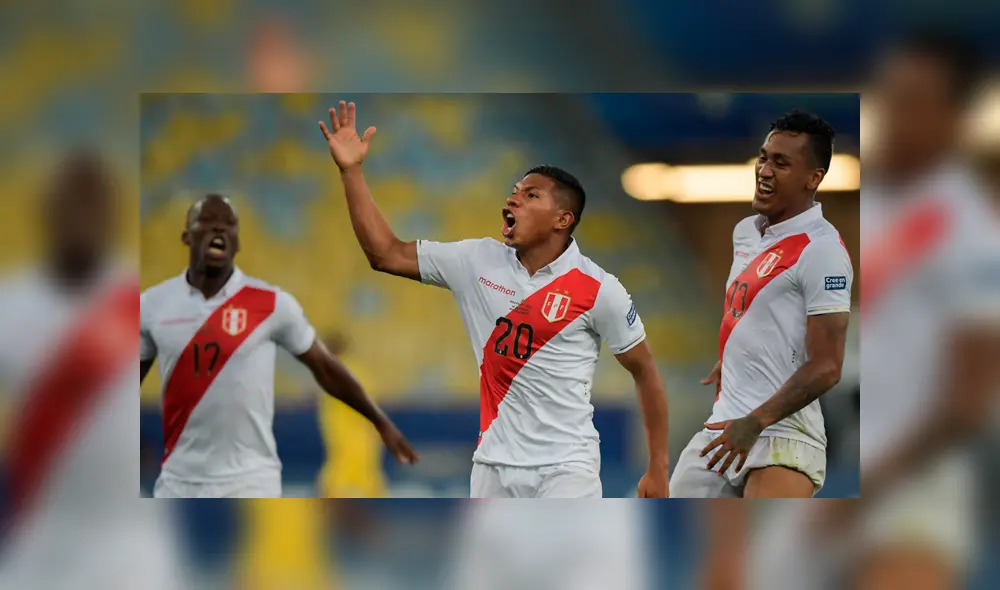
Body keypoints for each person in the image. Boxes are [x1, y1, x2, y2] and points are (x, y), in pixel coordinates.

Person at [318, 100, 670, 498]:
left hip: (566, 469)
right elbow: (385, 254)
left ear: (562, 219)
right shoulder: (476, 260)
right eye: (514, 191)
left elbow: (645, 371)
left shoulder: (599, 288)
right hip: (492, 469)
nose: (514, 199)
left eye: (531, 195)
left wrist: (657, 468)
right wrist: (351, 172)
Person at [140, 193, 417, 498]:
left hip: (254, 482)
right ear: (186, 236)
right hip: (178, 484)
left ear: (237, 240)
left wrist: (381, 423)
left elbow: (325, 370)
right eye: (206, 221)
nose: (218, 228)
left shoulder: (272, 304)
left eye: (228, 224)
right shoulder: (151, 306)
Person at [0, 151, 183, 588]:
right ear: (49, 213)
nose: (81, 216)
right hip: (41, 537)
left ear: (111, 216)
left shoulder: (147, 301)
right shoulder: (10, 307)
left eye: (92, 204)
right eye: (71, 203)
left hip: (131, 543)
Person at [670, 110, 853, 499]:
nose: (764, 171)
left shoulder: (822, 251)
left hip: (783, 435)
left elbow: (828, 367)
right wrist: (738, 356)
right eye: (763, 157)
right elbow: (759, 313)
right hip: (725, 425)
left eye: (781, 163)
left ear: (813, 178)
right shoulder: (745, 233)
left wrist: (755, 422)